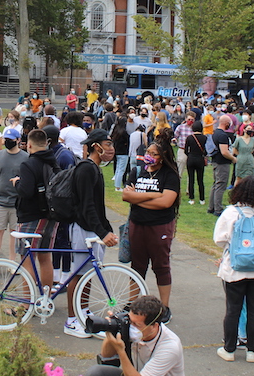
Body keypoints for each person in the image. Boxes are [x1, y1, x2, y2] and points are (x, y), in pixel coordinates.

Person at [213, 176, 254, 364]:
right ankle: (252, 350)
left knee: (233, 309)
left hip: (234, 269)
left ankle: (229, 348)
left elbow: (219, 239)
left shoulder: (230, 213)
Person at [63, 129, 119, 338]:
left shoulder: (94, 169)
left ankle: (83, 311)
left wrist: (106, 229)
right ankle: (71, 320)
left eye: (112, 144)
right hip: (82, 228)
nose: (111, 149)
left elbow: (97, 206)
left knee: (88, 274)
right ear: (96, 146)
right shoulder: (86, 169)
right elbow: (86, 207)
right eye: (107, 144)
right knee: (77, 275)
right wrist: (102, 232)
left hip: (90, 228)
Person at [85, 294, 186, 376]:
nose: (131, 327)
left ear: (154, 326)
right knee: (95, 374)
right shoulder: (130, 326)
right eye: (130, 321)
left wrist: (121, 350)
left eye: (137, 324)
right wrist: (112, 332)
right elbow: (106, 354)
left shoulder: (170, 346)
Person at [122, 137, 179, 309]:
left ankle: (164, 306)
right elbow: (126, 196)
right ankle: (132, 303)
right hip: (137, 224)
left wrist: (137, 199)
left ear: (163, 157)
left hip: (160, 225)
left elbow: (165, 202)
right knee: (137, 265)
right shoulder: (138, 171)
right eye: (148, 152)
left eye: (155, 154)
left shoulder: (169, 175)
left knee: (160, 266)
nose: (150, 156)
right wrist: (154, 195)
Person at [15, 129, 60, 292]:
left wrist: (16, 183)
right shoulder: (53, 162)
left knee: (27, 258)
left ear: (30, 145)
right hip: (51, 214)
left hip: (30, 215)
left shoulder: (28, 164)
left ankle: (27, 303)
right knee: (45, 256)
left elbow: (26, 191)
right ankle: (45, 297)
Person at [0, 127, 27, 262]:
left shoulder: (25, 157)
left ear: (18, 140)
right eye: (6, 139)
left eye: (11, 140)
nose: (8, 142)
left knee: (14, 234)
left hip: (17, 203)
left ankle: (12, 262)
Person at [209, 116, 235, 217]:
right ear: (226, 123)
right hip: (222, 163)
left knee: (215, 184)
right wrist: (233, 158)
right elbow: (224, 152)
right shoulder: (223, 135)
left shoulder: (215, 133)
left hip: (215, 161)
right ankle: (218, 209)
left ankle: (211, 207)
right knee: (221, 185)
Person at [183, 122, 207, 207]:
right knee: (200, 180)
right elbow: (206, 150)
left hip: (191, 159)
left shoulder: (189, 138)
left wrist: (189, 155)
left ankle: (191, 198)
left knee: (191, 179)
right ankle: (202, 199)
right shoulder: (204, 138)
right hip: (200, 158)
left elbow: (186, 150)